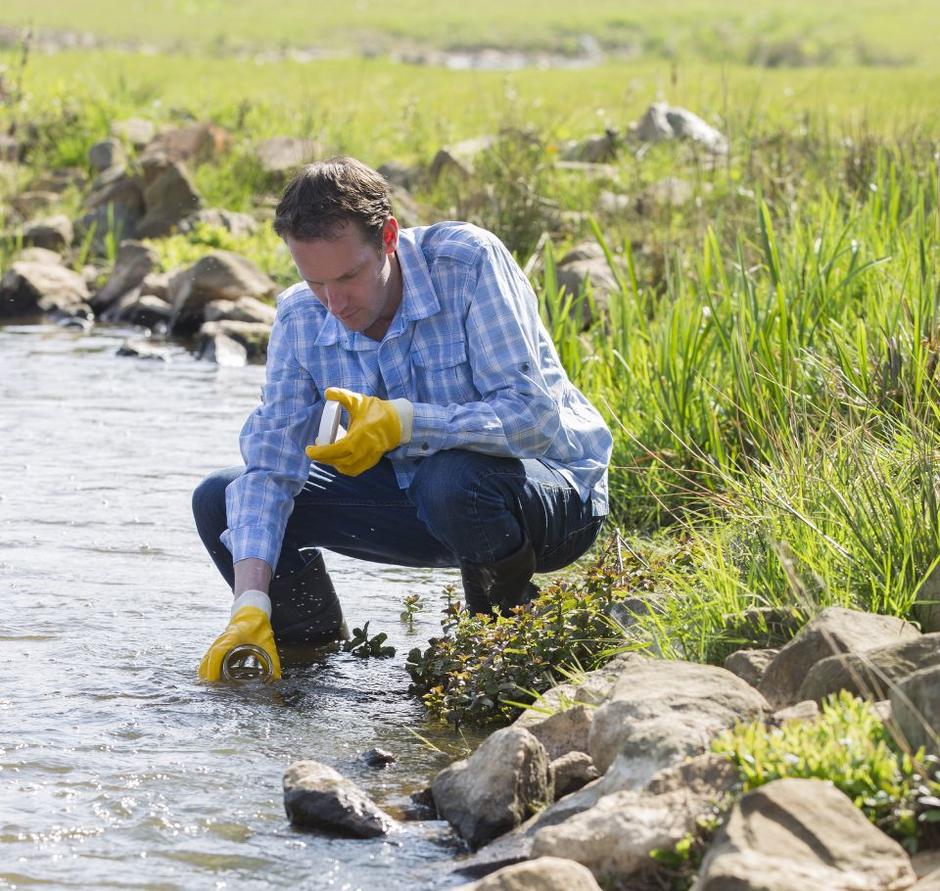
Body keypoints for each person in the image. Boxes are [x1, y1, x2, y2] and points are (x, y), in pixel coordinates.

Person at [193, 156, 613, 681]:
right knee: (221, 498)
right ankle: (303, 657)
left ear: (388, 236)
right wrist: (249, 602)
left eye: (349, 276)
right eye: (316, 282)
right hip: (417, 506)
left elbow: (534, 421)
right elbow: (270, 470)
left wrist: (406, 421)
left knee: (452, 478)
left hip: (548, 497)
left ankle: (506, 645)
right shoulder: (303, 316)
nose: (335, 304)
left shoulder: (466, 263)